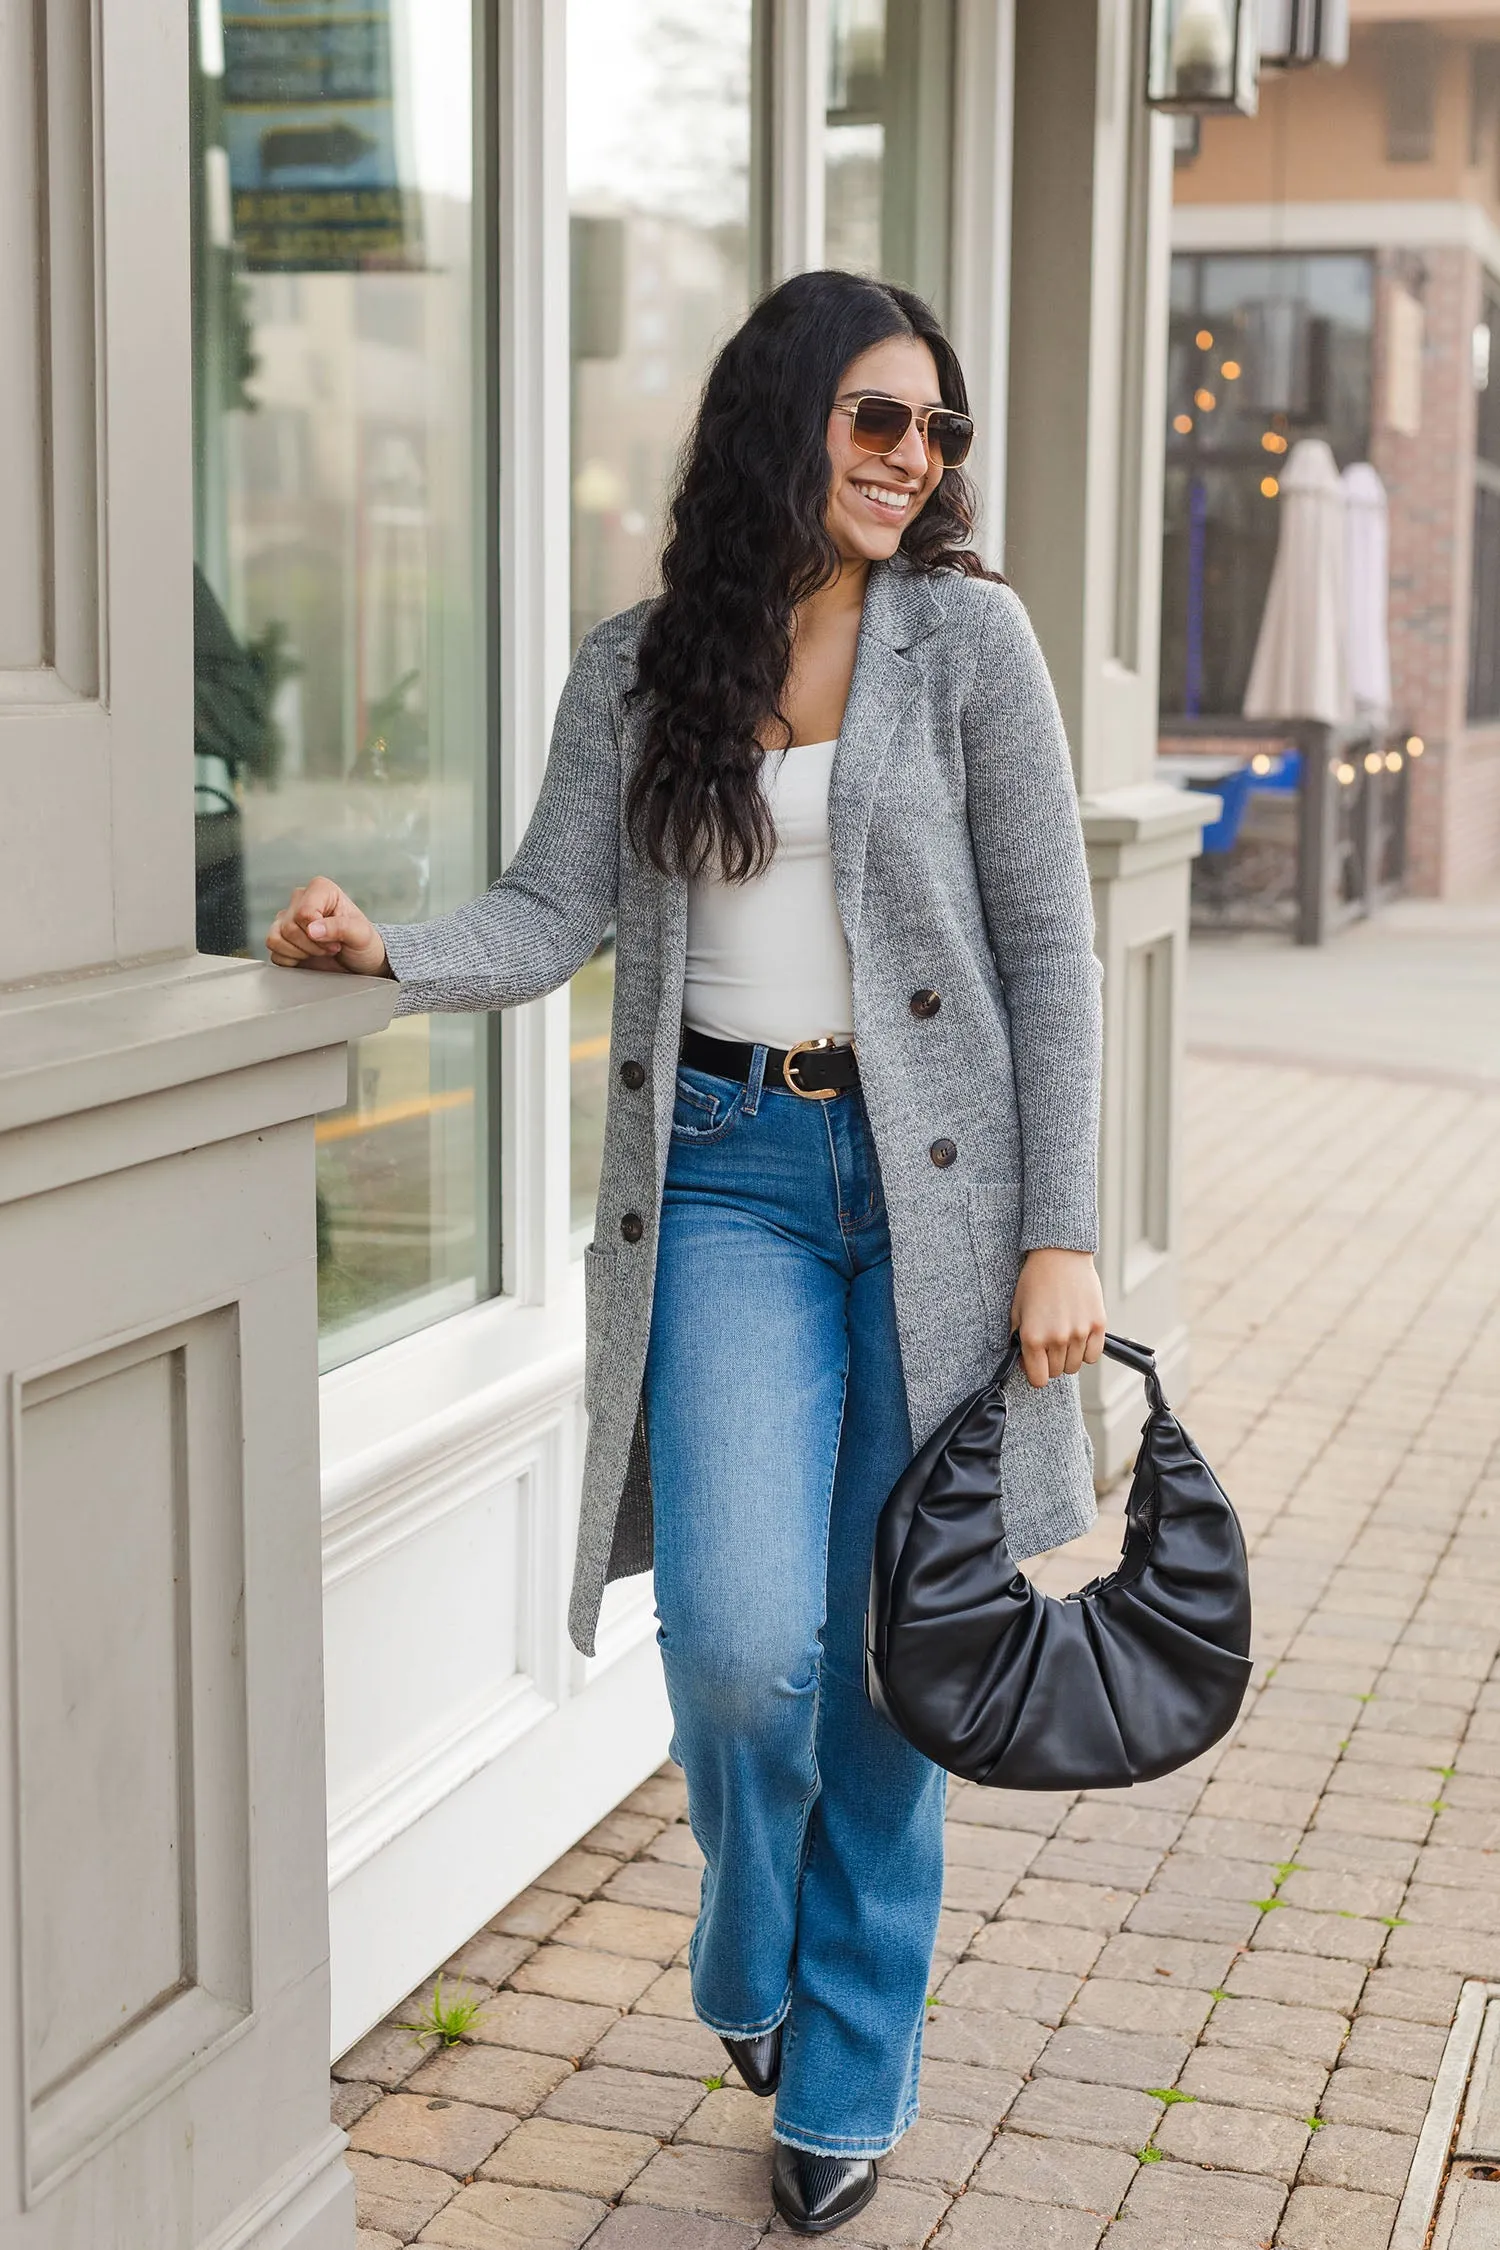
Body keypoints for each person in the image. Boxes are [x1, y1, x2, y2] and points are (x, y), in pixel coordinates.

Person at [267, 268, 1106, 2236]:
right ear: (786, 416)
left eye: (940, 432)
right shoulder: (641, 662)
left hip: (939, 1192)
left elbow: (1053, 958)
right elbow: (549, 909)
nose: (915, 462)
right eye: (880, 421)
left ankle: (845, 2062)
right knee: (740, 1651)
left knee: (893, 1661)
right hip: (725, 1172)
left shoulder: (968, 646)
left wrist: (1059, 1235)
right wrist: (385, 954)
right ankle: (749, 1944)